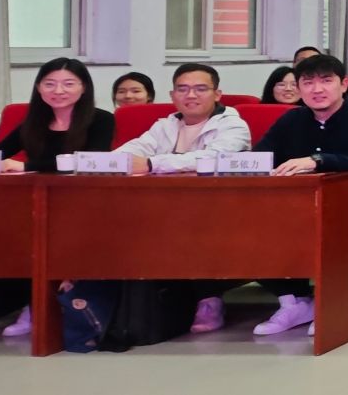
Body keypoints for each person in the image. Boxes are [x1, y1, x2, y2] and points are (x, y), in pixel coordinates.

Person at [248, 54, 348, 336]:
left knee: (328, 228)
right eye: (308, 82)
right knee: (253, 229)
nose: (317, 89)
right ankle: (293, 302)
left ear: (344, 84)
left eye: (326, 81)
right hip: (296, 207)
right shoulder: (292, 119)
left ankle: (333, 303)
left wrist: (318, 161)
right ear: (299, 88)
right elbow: (259, 157)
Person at [104, 64, 252, 334]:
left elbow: (212, 158)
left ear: (217, 94)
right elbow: (132, 151)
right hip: (163, 208)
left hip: (220, 208)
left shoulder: (233, 125)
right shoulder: (165, 125)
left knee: (192, 225)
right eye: (183, 89)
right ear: (172, 95)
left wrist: (152, 164)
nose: (191, 95)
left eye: (200, 89)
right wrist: (110, 162)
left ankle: (209, 299)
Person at [0, 59, 116, 337]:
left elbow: (89, 160)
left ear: (83, 88)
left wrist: (26, 166)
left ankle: (43, 305)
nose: (58, 91)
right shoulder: (33, 122)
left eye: (68, 83)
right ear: (39, 88)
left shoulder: (101, 119)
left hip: (84, 204)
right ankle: (27, 301)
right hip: (36, 203)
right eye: (50, 84)